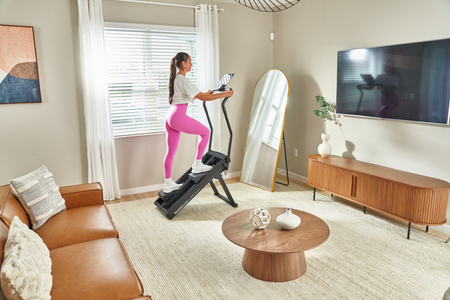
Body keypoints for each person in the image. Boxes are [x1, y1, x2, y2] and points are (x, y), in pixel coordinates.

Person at [163, 52, 233, 193]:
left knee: (170, 152)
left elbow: (199, 94)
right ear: (183, 64)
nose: (191, 64)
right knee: (206, 132)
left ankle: (168, 184)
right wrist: (225, 94)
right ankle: (197, 164)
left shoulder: (177, 79)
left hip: (170, 115)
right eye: (189, 62)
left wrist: (209, 92)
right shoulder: (183, 80)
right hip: (177, 116)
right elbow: (202, 98)